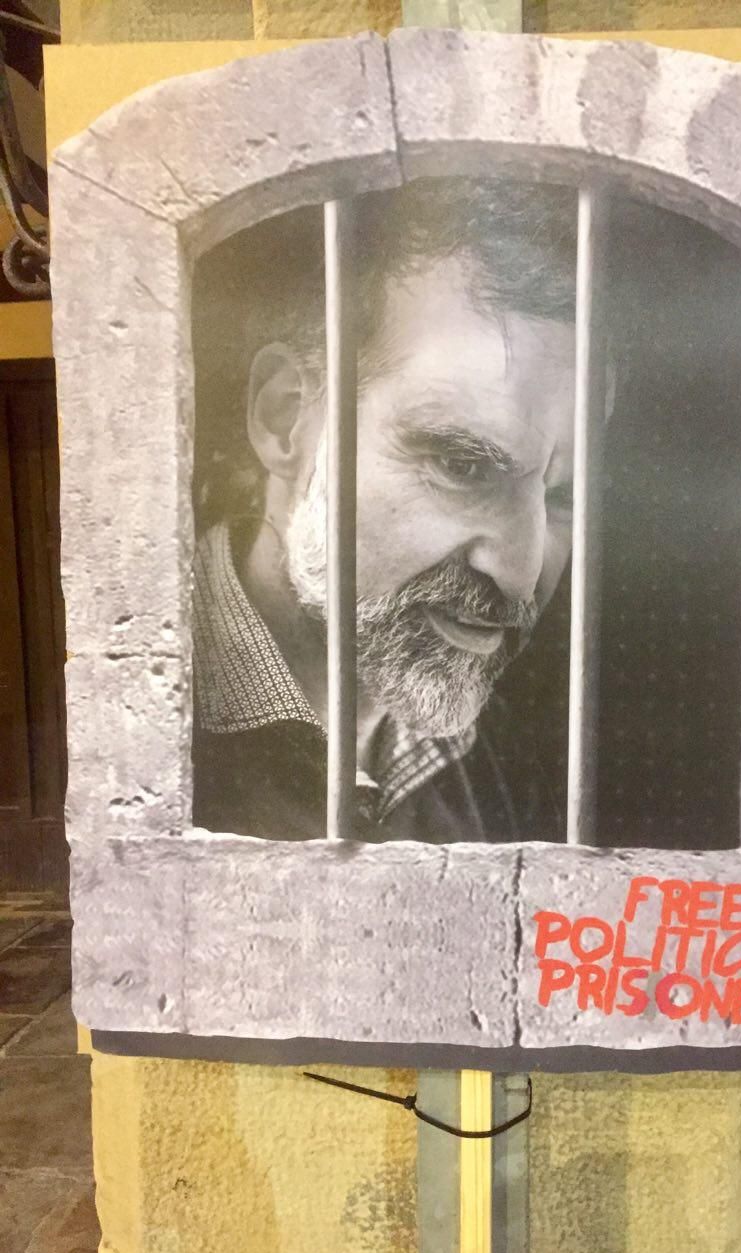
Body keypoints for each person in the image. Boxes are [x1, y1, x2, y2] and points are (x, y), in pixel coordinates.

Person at [191, 178, 585, 843]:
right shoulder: (127, 720)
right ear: (288, 419)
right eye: (461, 466)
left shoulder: (506, 760)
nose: (521, 575)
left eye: (561, 496)